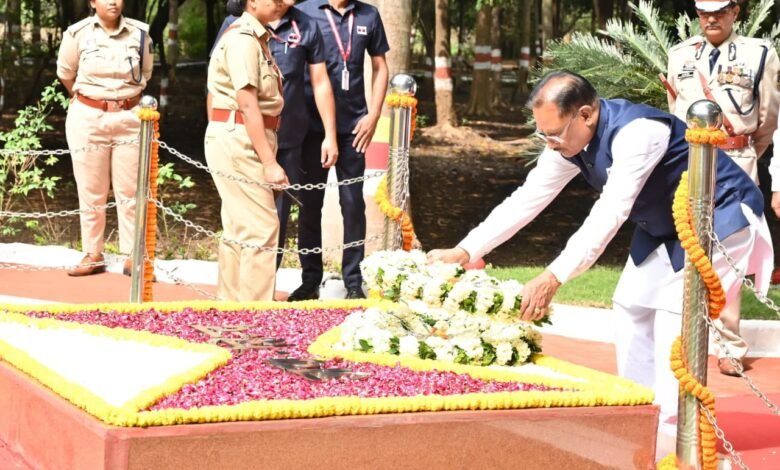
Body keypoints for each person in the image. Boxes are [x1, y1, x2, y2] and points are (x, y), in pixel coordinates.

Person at [428, 70, 773, 431]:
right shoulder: (566, 143)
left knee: (676, 315)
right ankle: (640, 409)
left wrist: (554, 276)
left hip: (720, 216)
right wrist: (465, 250)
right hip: (663, 226)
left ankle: (673, 428)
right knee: (630, 304)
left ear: (586, 115)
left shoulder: (638, 132)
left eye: (554, 133)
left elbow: (611, 211)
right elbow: (527, 199)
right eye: (541, 133)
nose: (549, 142)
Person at [665, 0, 780, 375]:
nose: (711, 18)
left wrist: (745, 153)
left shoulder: (759, 54)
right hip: (688, 163)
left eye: (720, 11)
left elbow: (767, 119)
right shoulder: (679, 54)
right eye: (703, 12)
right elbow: (673, 112)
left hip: (738, 160)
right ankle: (684, 338)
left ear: (736, 12)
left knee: (731, 254)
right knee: (688, 248)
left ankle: (728, 346)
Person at [214, 0, 339, 270]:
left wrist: (330, 134)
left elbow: (320, 81)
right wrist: (219, 128)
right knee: (253, 223)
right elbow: (224, 91)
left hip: (288, 136)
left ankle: (256, 294)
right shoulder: (238, 31)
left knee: (273, 220)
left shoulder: (305, 24)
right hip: (244, 139)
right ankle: (249, 302)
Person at [286, 0, 390, 301]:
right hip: (311, 127)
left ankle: (353, 280)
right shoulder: (304, 11)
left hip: (354, 128)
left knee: (353, 204)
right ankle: (309, 281)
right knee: (309, 205)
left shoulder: (369, 14)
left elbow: (381, 66)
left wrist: (373, 115)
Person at [56, 0, 153, 276]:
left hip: (130, 116)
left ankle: (133, 256)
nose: (113, 1)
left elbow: (145, 72)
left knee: (132, 191)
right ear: (92, 2)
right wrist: (93, 99)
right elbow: (66, 74)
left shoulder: (140, 33)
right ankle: (92, 253)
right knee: (91, 189)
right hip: (89, 117)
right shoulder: (77, 34)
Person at [205, 0, 287, 301]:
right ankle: (255, 319)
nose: (281, 2)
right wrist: (269, 162)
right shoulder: (242, 40)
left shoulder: (257, 37)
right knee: (261, 227)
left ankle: (232, 308)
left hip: (242, 135)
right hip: (239, 137)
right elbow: (248, 104)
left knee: (239, 228)